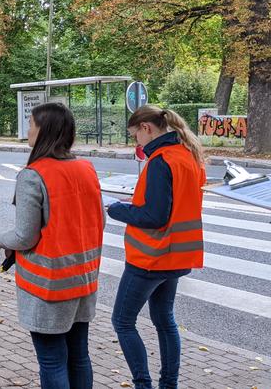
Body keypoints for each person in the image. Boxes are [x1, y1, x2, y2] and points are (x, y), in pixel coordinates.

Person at [0, 102, 104, 389]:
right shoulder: (86, 168)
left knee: (52, 360)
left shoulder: (33, 174)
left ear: (45, 131)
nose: (28, 130)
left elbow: (25, 236)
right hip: (83, 280)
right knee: (79, 356)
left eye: (31, 124)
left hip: (49, 287)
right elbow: (99, 220)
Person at [107, 105, 206, 389]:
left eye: (134, 135)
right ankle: (168, 385)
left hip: (150, 258)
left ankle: (143, 385)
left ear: (146, 128)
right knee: (165, 321)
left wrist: (118, 209)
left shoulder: (161, 161)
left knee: (123, 322)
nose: (135, 142)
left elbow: (154, 216)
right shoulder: (188, 155)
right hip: (177, 255)